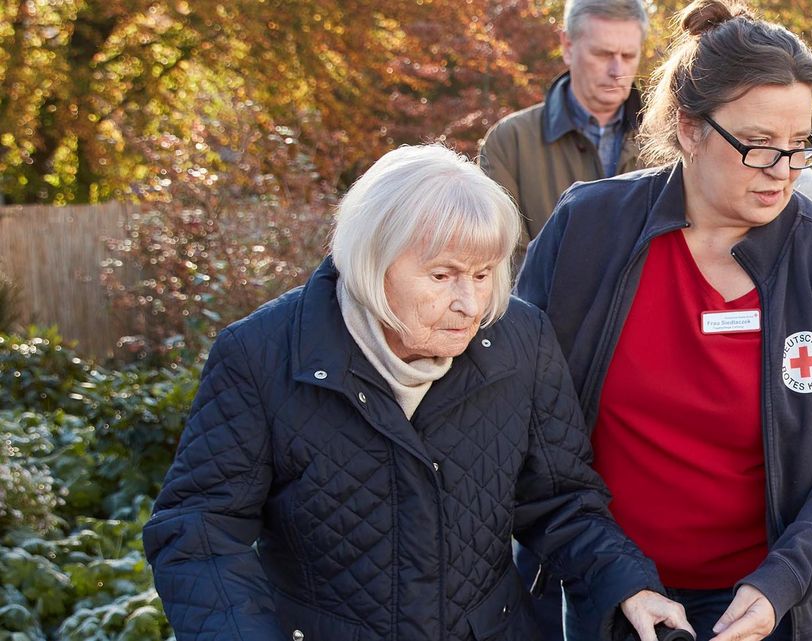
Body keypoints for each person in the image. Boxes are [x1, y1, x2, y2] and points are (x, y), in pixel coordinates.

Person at [144, 144, 690, 641]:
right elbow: (200, 532)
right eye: (443, 276)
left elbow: (561, 500)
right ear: (373, 261)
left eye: (483, 274)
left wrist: (628, 585)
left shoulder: (522, 339)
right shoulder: (261, 354)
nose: (470, 304)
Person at [515, 2, 812, 640]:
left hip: (767, 605)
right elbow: (529, 425)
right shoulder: (588, 230)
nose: (783, 171)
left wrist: (784, 581)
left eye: (798, 145)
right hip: (606, 590)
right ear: (690, 129)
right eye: (759, 145)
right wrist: (613, 575)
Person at [479, 0, 650, 243]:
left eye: (629, 56)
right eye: (603, 54)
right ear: (568, 47)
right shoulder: (509, 143)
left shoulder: (669, 141)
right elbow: (502, 254)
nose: (617, 70)